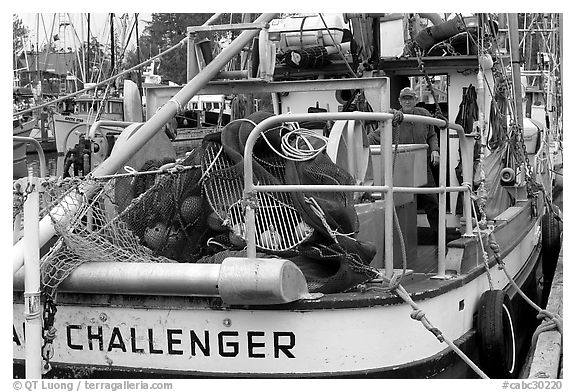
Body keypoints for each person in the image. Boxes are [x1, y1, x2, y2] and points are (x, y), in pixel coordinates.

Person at [368, 87, 440, 237]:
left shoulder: (424, 115)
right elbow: (374, 137)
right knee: (403, 202)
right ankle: (402, 236)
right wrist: (358, 143)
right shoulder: (392, 120)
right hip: (401, 167)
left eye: (410, 98)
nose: (407, 101)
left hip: (422, 165)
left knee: (432, 201)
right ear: (399, 101)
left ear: (416, 100)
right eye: (404, 99)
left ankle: (440, 235)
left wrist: (435, 150)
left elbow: (432, 135)